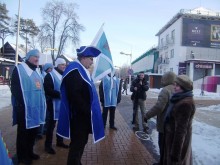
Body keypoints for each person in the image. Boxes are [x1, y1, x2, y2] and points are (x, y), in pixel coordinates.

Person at [56, 46, 105, 165]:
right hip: (79, 117)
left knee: (81, 143)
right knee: (77, 144)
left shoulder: (80, 69)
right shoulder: (75, 71)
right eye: (90, 58)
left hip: (82, 116)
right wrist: (89, 111)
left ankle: (76, 162)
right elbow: (75, 96)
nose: (92, 61)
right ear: (83, 58)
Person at [11, 49, 46, 165]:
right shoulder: (19, 69)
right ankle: (22, 156)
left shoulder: (37, 71)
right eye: (35, 56)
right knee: (23, 134)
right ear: (28, 57)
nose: (37, 59)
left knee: (33, 132)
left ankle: (30, 152)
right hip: (24, 108)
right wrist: (24, 102)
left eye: (38, 57)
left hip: (36, 108)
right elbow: (15, 88)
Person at [144, 71, 176, 165]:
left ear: (167, 79)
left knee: (163, 145)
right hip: (173, 123)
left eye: (163, 78)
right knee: (169, 147)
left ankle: (162, 162)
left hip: (165, 123)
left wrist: (147, 115)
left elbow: (159, 107)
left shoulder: (165, 90)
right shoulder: (176, 89)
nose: (162, 80)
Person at [163, 75, 195, 165]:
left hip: (176, 145)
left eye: (177, 85)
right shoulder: (178, 98)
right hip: (172, 140)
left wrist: (175, 153)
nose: (174, 87)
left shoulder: (185, 104)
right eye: (174, 84)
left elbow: (181, 131)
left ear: (184, 88)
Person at [44, 58, 68, 154]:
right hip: (52, 105)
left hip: (62, 105)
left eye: (65, 65)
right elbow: (48, 90)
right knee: (51, 126)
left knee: (61, 124)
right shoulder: (50, 76)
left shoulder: (64, 75)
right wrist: (59, 94)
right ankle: (48, 146)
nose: (64, 66)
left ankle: (60, 141)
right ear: (57, 65)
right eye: (62, 64)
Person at [36, 63, 54, 140]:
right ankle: (41, 131)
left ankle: (42, 130)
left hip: (45, 98)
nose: (51, 70)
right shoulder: (43, 76)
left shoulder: (44, 75)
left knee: (46, 116)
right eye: (50, 68)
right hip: (44, 98)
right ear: (47, 69)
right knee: (45, 115)